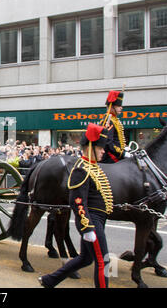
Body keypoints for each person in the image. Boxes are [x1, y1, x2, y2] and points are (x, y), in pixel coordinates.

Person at [39, 123, 113, 288]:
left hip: (98, 220)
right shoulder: (81, 170)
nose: (103, 151)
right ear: (91, 147)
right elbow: (77, 201)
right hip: (91, 221)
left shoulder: (93, 168)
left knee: (86, 259)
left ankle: (50, 280)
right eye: (100, 148)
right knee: (103, 261)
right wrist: (87, 228)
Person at [100, 90, 130, 163]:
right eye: (119, 106)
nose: (121, 108)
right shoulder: (108, 120)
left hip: (116, 155)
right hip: (110, 158)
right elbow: (108, 143)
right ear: (112, 107)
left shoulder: (114, 120)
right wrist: (123, 154)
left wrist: (124, 148)